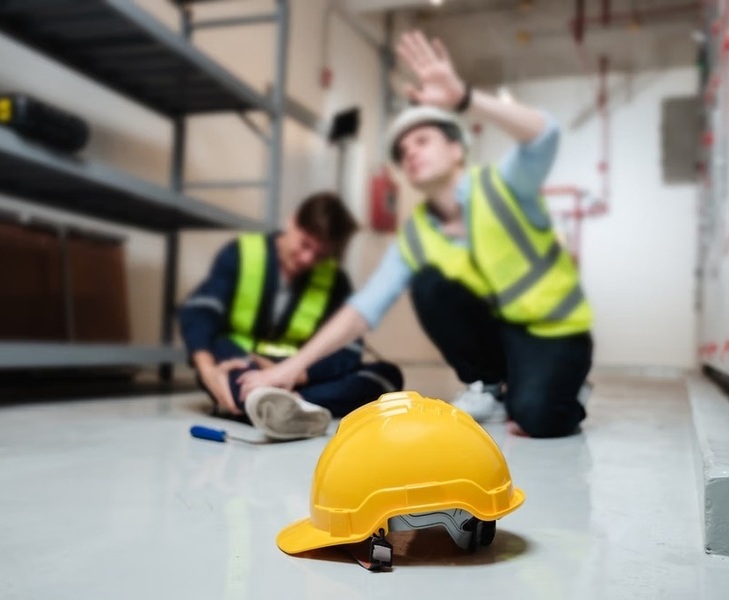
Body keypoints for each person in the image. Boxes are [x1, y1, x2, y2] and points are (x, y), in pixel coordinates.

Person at [238, 31, 593, 438]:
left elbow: (544, 135)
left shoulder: (503, 186)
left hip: (555, 329)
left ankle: (568, 388)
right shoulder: (417, 233)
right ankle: (489, 386)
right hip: (501, 332)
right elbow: (362, 310)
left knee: (537, 417)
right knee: (429, 286)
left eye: (422, 141)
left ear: (457, 149)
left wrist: (463, 98)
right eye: (404, 152)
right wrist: (291, 367)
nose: (411, 153)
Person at [178, 191, 403, 440]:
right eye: (305, 244)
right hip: (244, 363)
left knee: (387, 376)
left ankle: (278, 406)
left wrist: (295, 372)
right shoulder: (242, 254)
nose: (308, 259)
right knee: (221, 356)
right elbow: (200, 312)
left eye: (320, 255)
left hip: (299, 375)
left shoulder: (334, 280)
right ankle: (287, 405)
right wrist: (208, 370)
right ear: (292, 221)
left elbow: (348, 350)